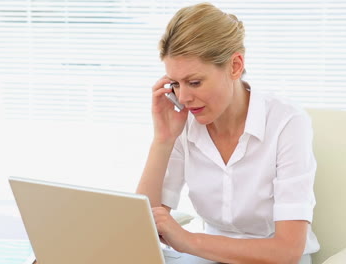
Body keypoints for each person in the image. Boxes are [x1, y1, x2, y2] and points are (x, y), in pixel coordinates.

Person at [136, 2, 320, 264]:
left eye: (195, 82)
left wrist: (188, 240)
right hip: (207, 256)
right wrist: (163, 140)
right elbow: (140, 226)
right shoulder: (183, 123)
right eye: (175, 84)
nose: (184, 97)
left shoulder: (287, 123)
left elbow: (287, 251)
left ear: (235, 66)